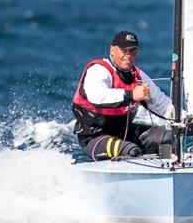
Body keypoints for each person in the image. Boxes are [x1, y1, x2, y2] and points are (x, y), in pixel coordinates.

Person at [72, 30, 174, 160]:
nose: (128, 55)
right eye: (124, 50)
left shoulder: (138, 76)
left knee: (169, 136)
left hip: (126, 134)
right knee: (131, 151)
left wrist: (187, 118)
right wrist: (130, 94)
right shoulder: (99, 70)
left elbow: (162, 104)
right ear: (112, 50)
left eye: (133, 51)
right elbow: (96, 95)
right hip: (95, 136)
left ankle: (169, 170)